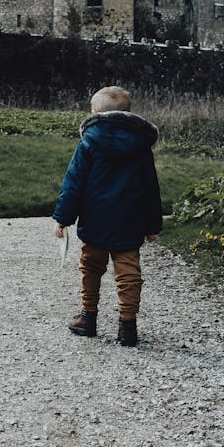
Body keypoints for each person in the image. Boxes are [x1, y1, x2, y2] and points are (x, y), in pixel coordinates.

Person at [53, 86, 162, 347]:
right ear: (128, 114)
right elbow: (151, 187)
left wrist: (63, 217)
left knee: (91, 267)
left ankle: (88, 318)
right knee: (128, 273)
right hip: (130, 219)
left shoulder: (89, 141)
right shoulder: (141, 145)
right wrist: (152, 225)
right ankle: (127, 326)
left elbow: (74, 183)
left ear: (94, 113)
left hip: (95, 218)